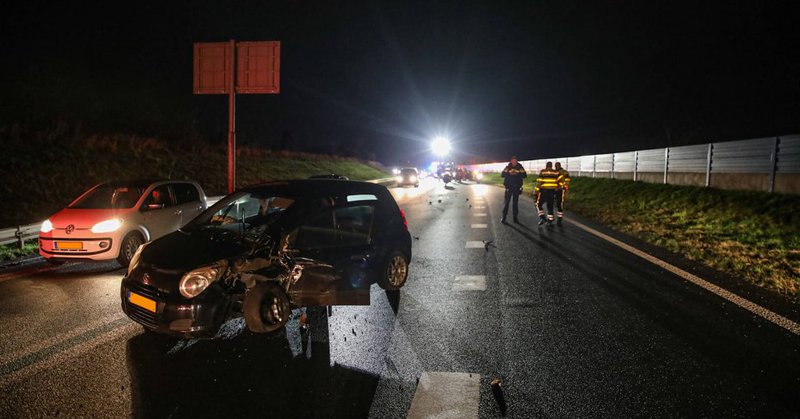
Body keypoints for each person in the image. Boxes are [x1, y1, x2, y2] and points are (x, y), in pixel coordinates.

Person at [534, 161, 563, 225]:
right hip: (552, 192)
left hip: (544, 191)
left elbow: (539, 182)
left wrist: (536, 191)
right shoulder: (556, 172)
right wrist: (559, 187)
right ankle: (550, 220)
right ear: (551, 166)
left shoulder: (543, 172)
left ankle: (542, 218)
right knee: (550, 206)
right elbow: (561, 181)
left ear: (546, 166)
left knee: (538, 204)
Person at [501, 156, 527, 223]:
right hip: (508, 188)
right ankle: (504, 217)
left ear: (517, 161)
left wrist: (518, 173)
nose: (514, 162)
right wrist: (509, 173)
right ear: (511, 161)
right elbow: (502, 175)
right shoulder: (508, 167)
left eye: (515, 161)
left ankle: (515, 218)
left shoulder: (520, 167)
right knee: (506, 203)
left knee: (515, 204)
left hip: (516, 188)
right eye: (513, 161)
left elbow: (524, 175)